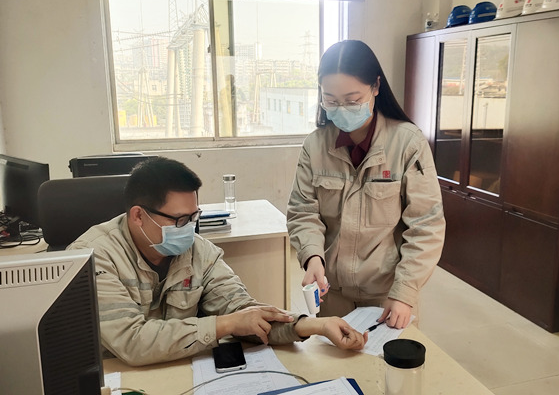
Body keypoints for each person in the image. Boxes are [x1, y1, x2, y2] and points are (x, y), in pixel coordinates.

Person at [68, 157, 366, 367]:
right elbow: (133, 342)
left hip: (184, 369)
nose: (189, 229)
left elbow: (244, 312)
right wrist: (226, 324)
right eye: (179, 220)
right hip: (121, 379)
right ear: (138, 215)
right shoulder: (94, 258)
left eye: (193, 217)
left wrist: (314, 325)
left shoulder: (200, 253)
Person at [287, 40, 445, 329]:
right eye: (331, 100)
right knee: (335, 357)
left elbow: (426, 225)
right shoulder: (315, 146)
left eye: (352, 100)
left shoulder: (408, 143)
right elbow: (303, 212)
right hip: (332, 292)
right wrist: (312, 257)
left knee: (386, 358)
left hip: (388, 295)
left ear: (375, 86)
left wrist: (404, 293)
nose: (342, 109)